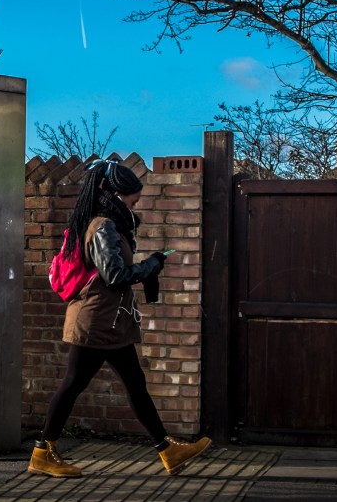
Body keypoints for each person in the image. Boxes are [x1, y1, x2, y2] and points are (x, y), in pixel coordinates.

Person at [28, 159, 211, 477]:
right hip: (96, 322)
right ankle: (42, 452)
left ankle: (168, 450)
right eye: (133, 200)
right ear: (117, 195)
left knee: (133, 385)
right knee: (74, 385)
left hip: (108, 322)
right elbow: (115, 275)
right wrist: (152, 265)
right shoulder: (103, 226)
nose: (134, 205)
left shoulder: (103, 223)